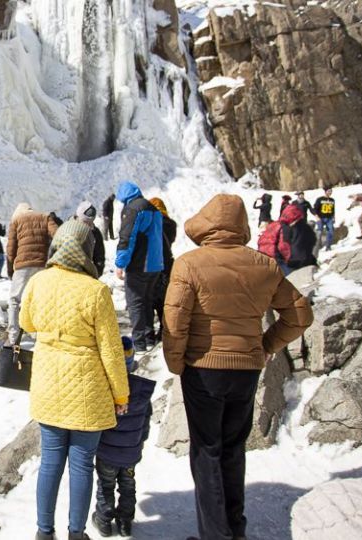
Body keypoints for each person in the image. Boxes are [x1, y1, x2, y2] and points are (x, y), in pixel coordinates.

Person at [163, 194, 313, 540]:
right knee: (233, 448)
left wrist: (176, 362)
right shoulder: (264, 264)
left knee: (206, 452)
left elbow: (175, 319)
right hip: (245, 369)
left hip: (203, 369)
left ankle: (215, 534)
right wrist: (264, 345)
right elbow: (301, 315)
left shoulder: (189, 264)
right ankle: (235, 528)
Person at [20, 220, 130, 540]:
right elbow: (111, 350)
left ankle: (44, 532)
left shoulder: (39, 281)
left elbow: (26, 322)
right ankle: (76, 533)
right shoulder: (96, 291)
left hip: (47, 385)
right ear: (87, 251)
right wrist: (121, 395)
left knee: (50, 463)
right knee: (82, 466)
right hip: (88, 390)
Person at [92, 336, 155, 538]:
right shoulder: (141, 392)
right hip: (130, 452)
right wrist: (140, 442)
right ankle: (125, 521)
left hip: (107, 453)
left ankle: (103, 521)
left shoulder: (105, 389)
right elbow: (146, 423)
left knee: (105, 486)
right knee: (128, 486)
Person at [114, 181, 164, 353]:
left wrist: (120, 263)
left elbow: (127, 237)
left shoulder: (134, 209)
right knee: (147, 301)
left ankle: (139, 343)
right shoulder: (153, 208)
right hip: (155, 264)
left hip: (140, 264)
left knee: (135, 302)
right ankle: (149, 338)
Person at [6, 203, 59, 344]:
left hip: (22, 266)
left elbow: (10, 249)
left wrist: (11, 270)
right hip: (42, 265)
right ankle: (39, 334)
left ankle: (13, 336)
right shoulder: (44, 217)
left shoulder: (16, 220)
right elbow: (58, 236)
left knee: (14, 300)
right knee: (39, 300)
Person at [258, 204, 316, 276]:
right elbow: (283, 247)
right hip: (276, 261)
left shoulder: (275, 225)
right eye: (297, 219)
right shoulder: (285, 228)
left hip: (264, 259)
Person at [148, 197, 177, 344]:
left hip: (153, 264)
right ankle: (165, 328)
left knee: (152, 298)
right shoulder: (171, 224)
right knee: (165, 299)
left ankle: (151, 333)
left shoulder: (153, 223)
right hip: (167, 265)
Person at [73, 201, 105, 276]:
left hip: (86, 275)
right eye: (85, 221)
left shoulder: (95, 233)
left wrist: (97, 273)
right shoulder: (68, 228)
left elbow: (99, 257)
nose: (89, 225)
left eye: (91, 222)